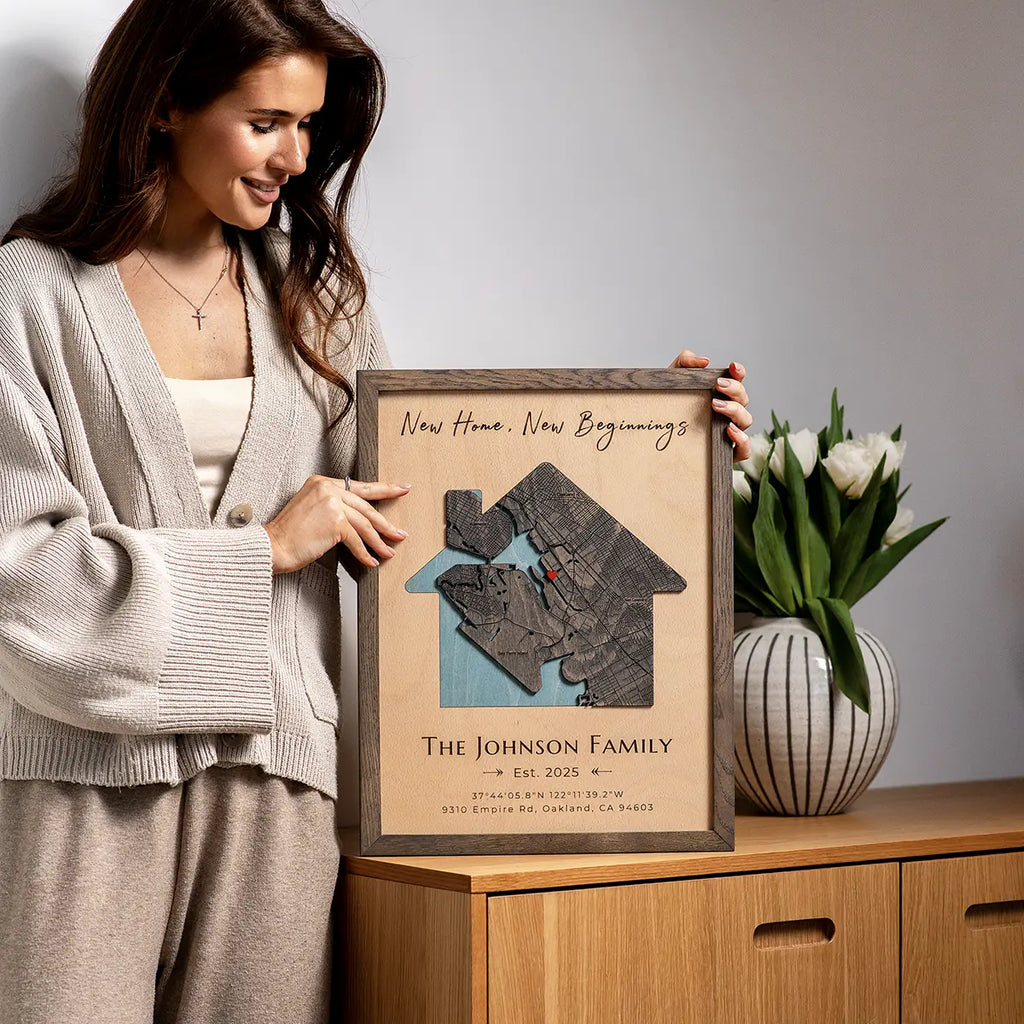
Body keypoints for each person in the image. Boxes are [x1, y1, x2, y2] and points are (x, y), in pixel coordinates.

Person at [0, 1, 752, 1022]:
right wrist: (263, 550)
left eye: (308, 128)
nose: (293, 159)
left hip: (279, 782)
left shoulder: (318, 300)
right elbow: (23, 580)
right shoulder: (30, 296)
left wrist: (652, 440)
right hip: (82, 784)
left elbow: (440, 525)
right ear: (166, 102)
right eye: (265, 121)